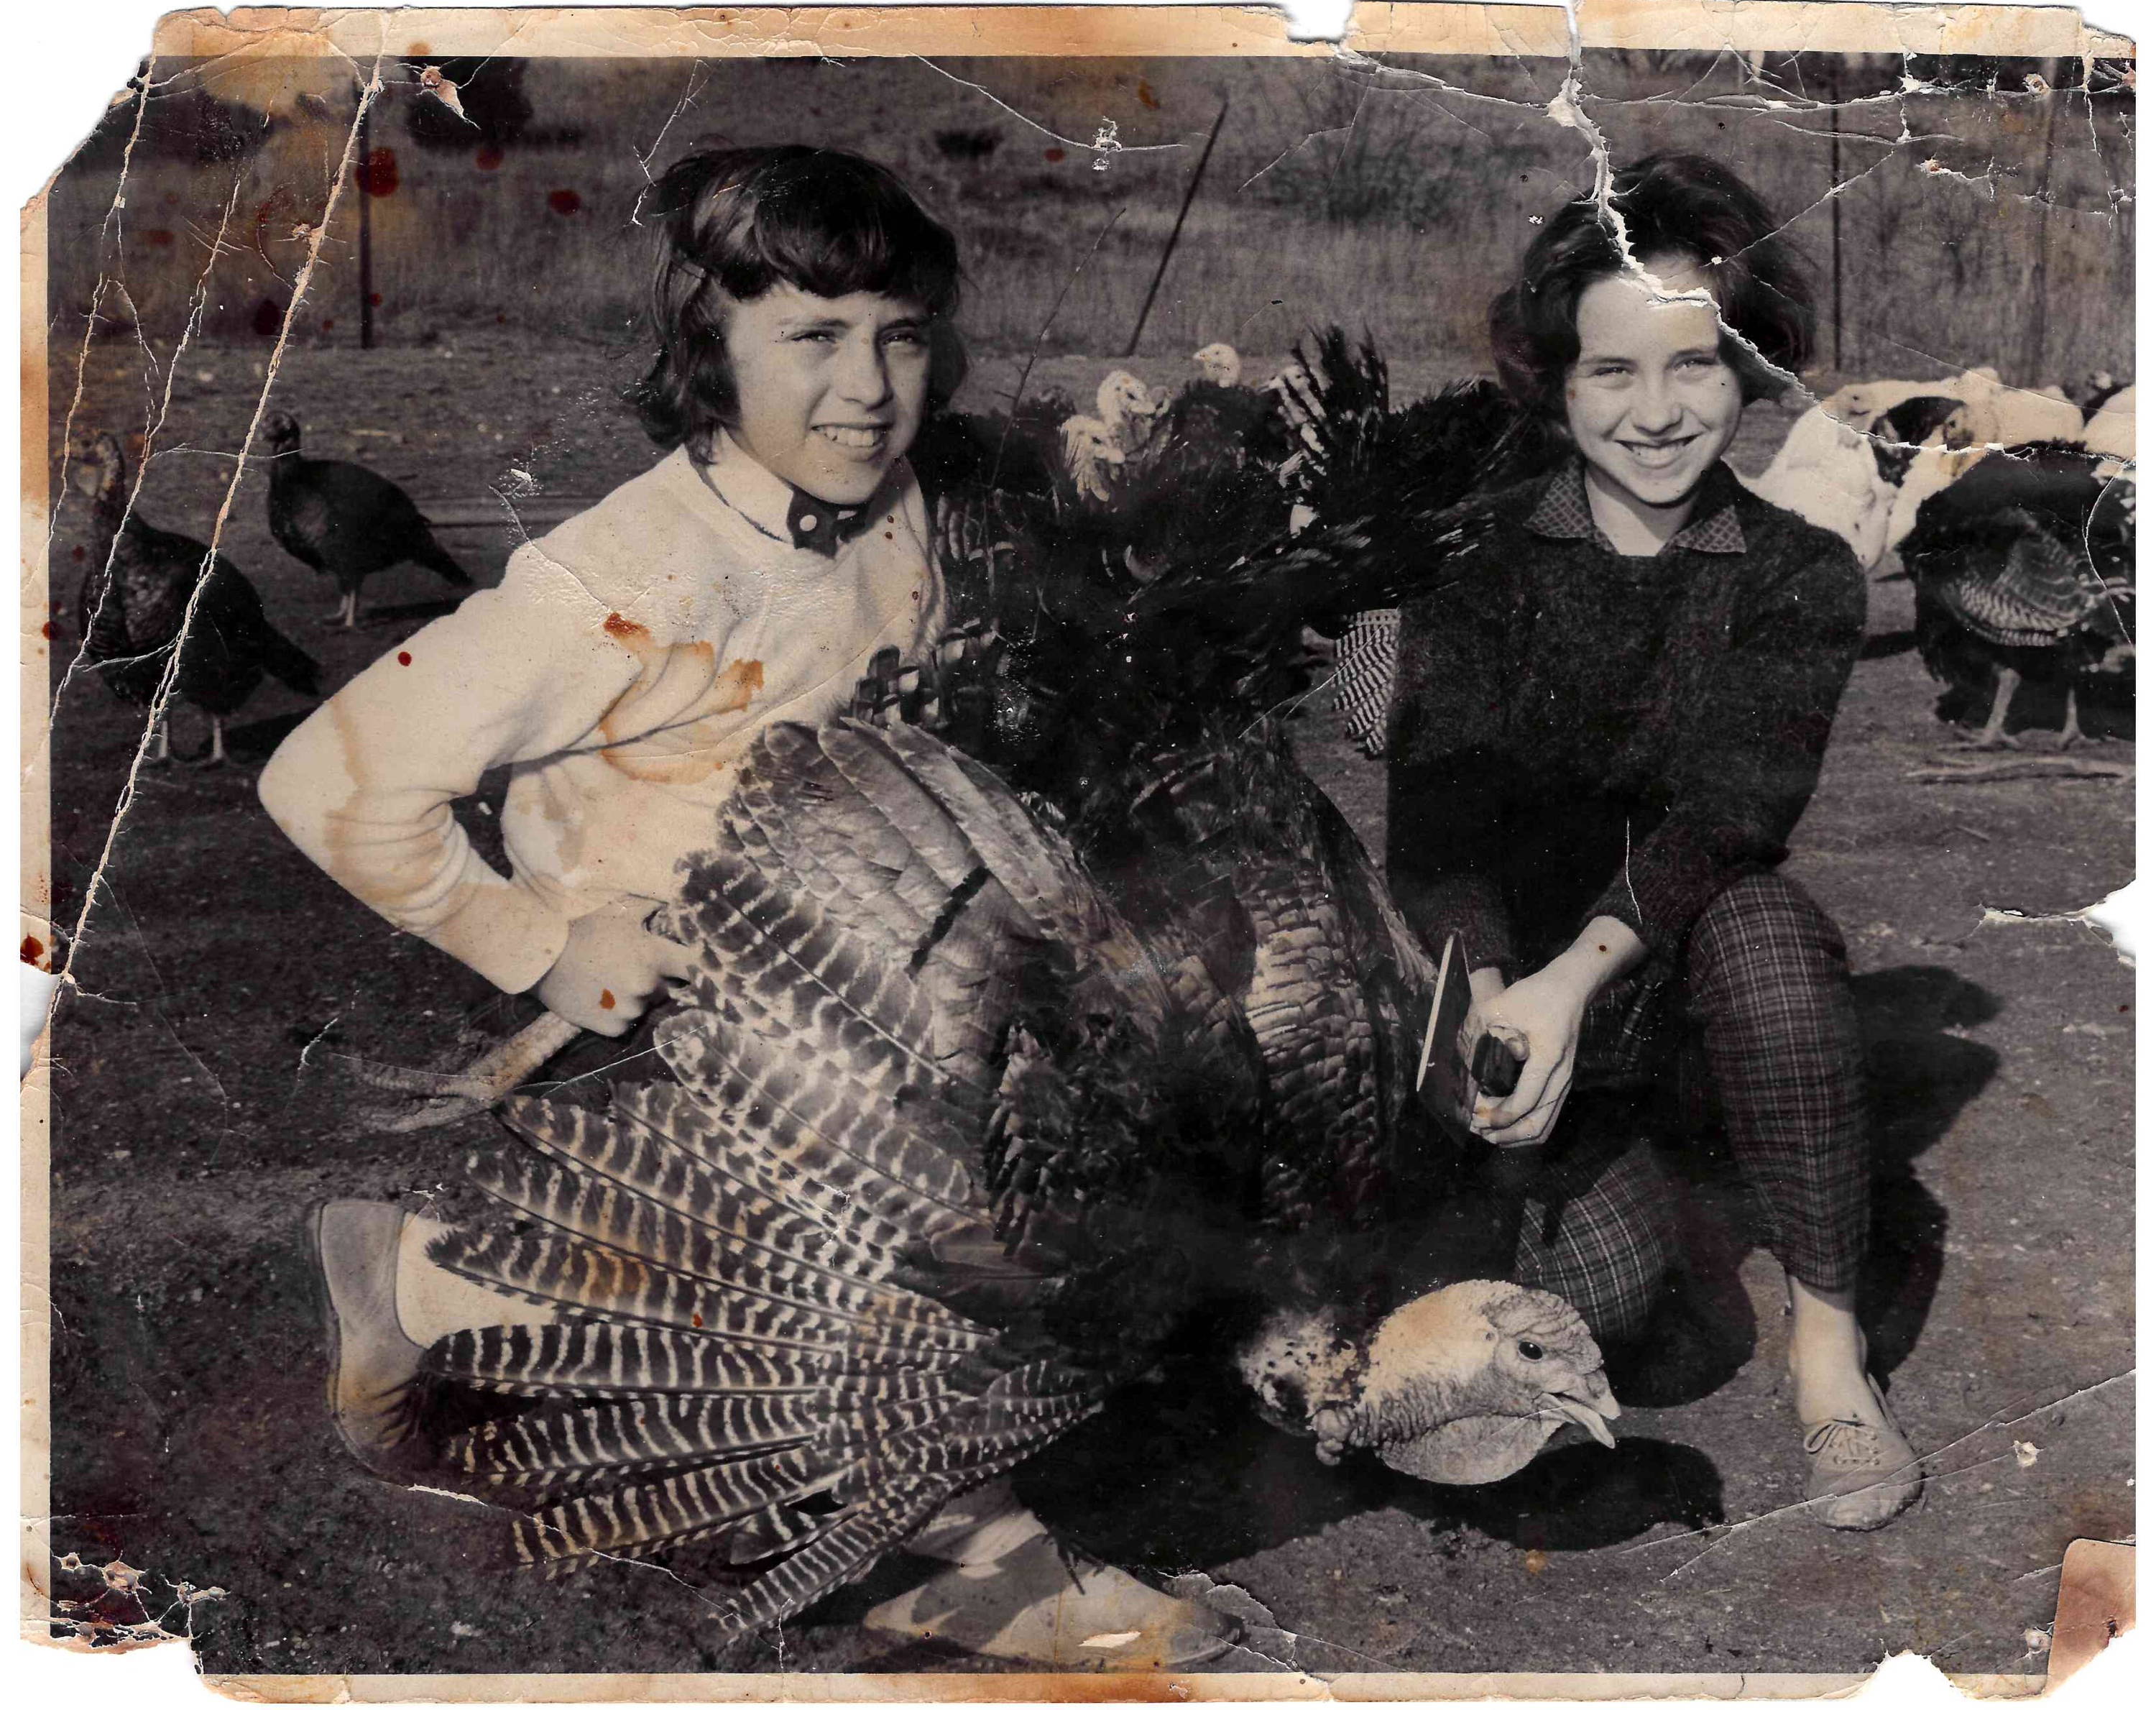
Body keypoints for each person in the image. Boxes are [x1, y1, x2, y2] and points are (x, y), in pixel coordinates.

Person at [261, 143, 1233, 1666]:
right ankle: (968, 1544)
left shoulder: (908, 498)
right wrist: (536, 942)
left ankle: (432, 1281)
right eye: (811, 338)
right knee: (892, 1272)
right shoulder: (632, 573)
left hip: (863, 993)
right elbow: (326, 777)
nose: (867, 386)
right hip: (673, 1025)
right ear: (707, 351)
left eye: (899, 337)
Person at [1383, 153, 1922, 1530]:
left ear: (1752, 371)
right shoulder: (1481, 565)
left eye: (1695, 367)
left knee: (1771, 931)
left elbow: (1733, 814)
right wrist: (1497, 997)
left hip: (1690, 976)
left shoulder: (1801, 572)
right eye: (1611, 373)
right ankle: (1673, 1221)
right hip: (1534, 998)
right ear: (1556, 383)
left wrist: (1575, 980)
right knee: (1601, 1316)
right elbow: (1439, 825)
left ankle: (1828, 1344)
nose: (1657, 412)